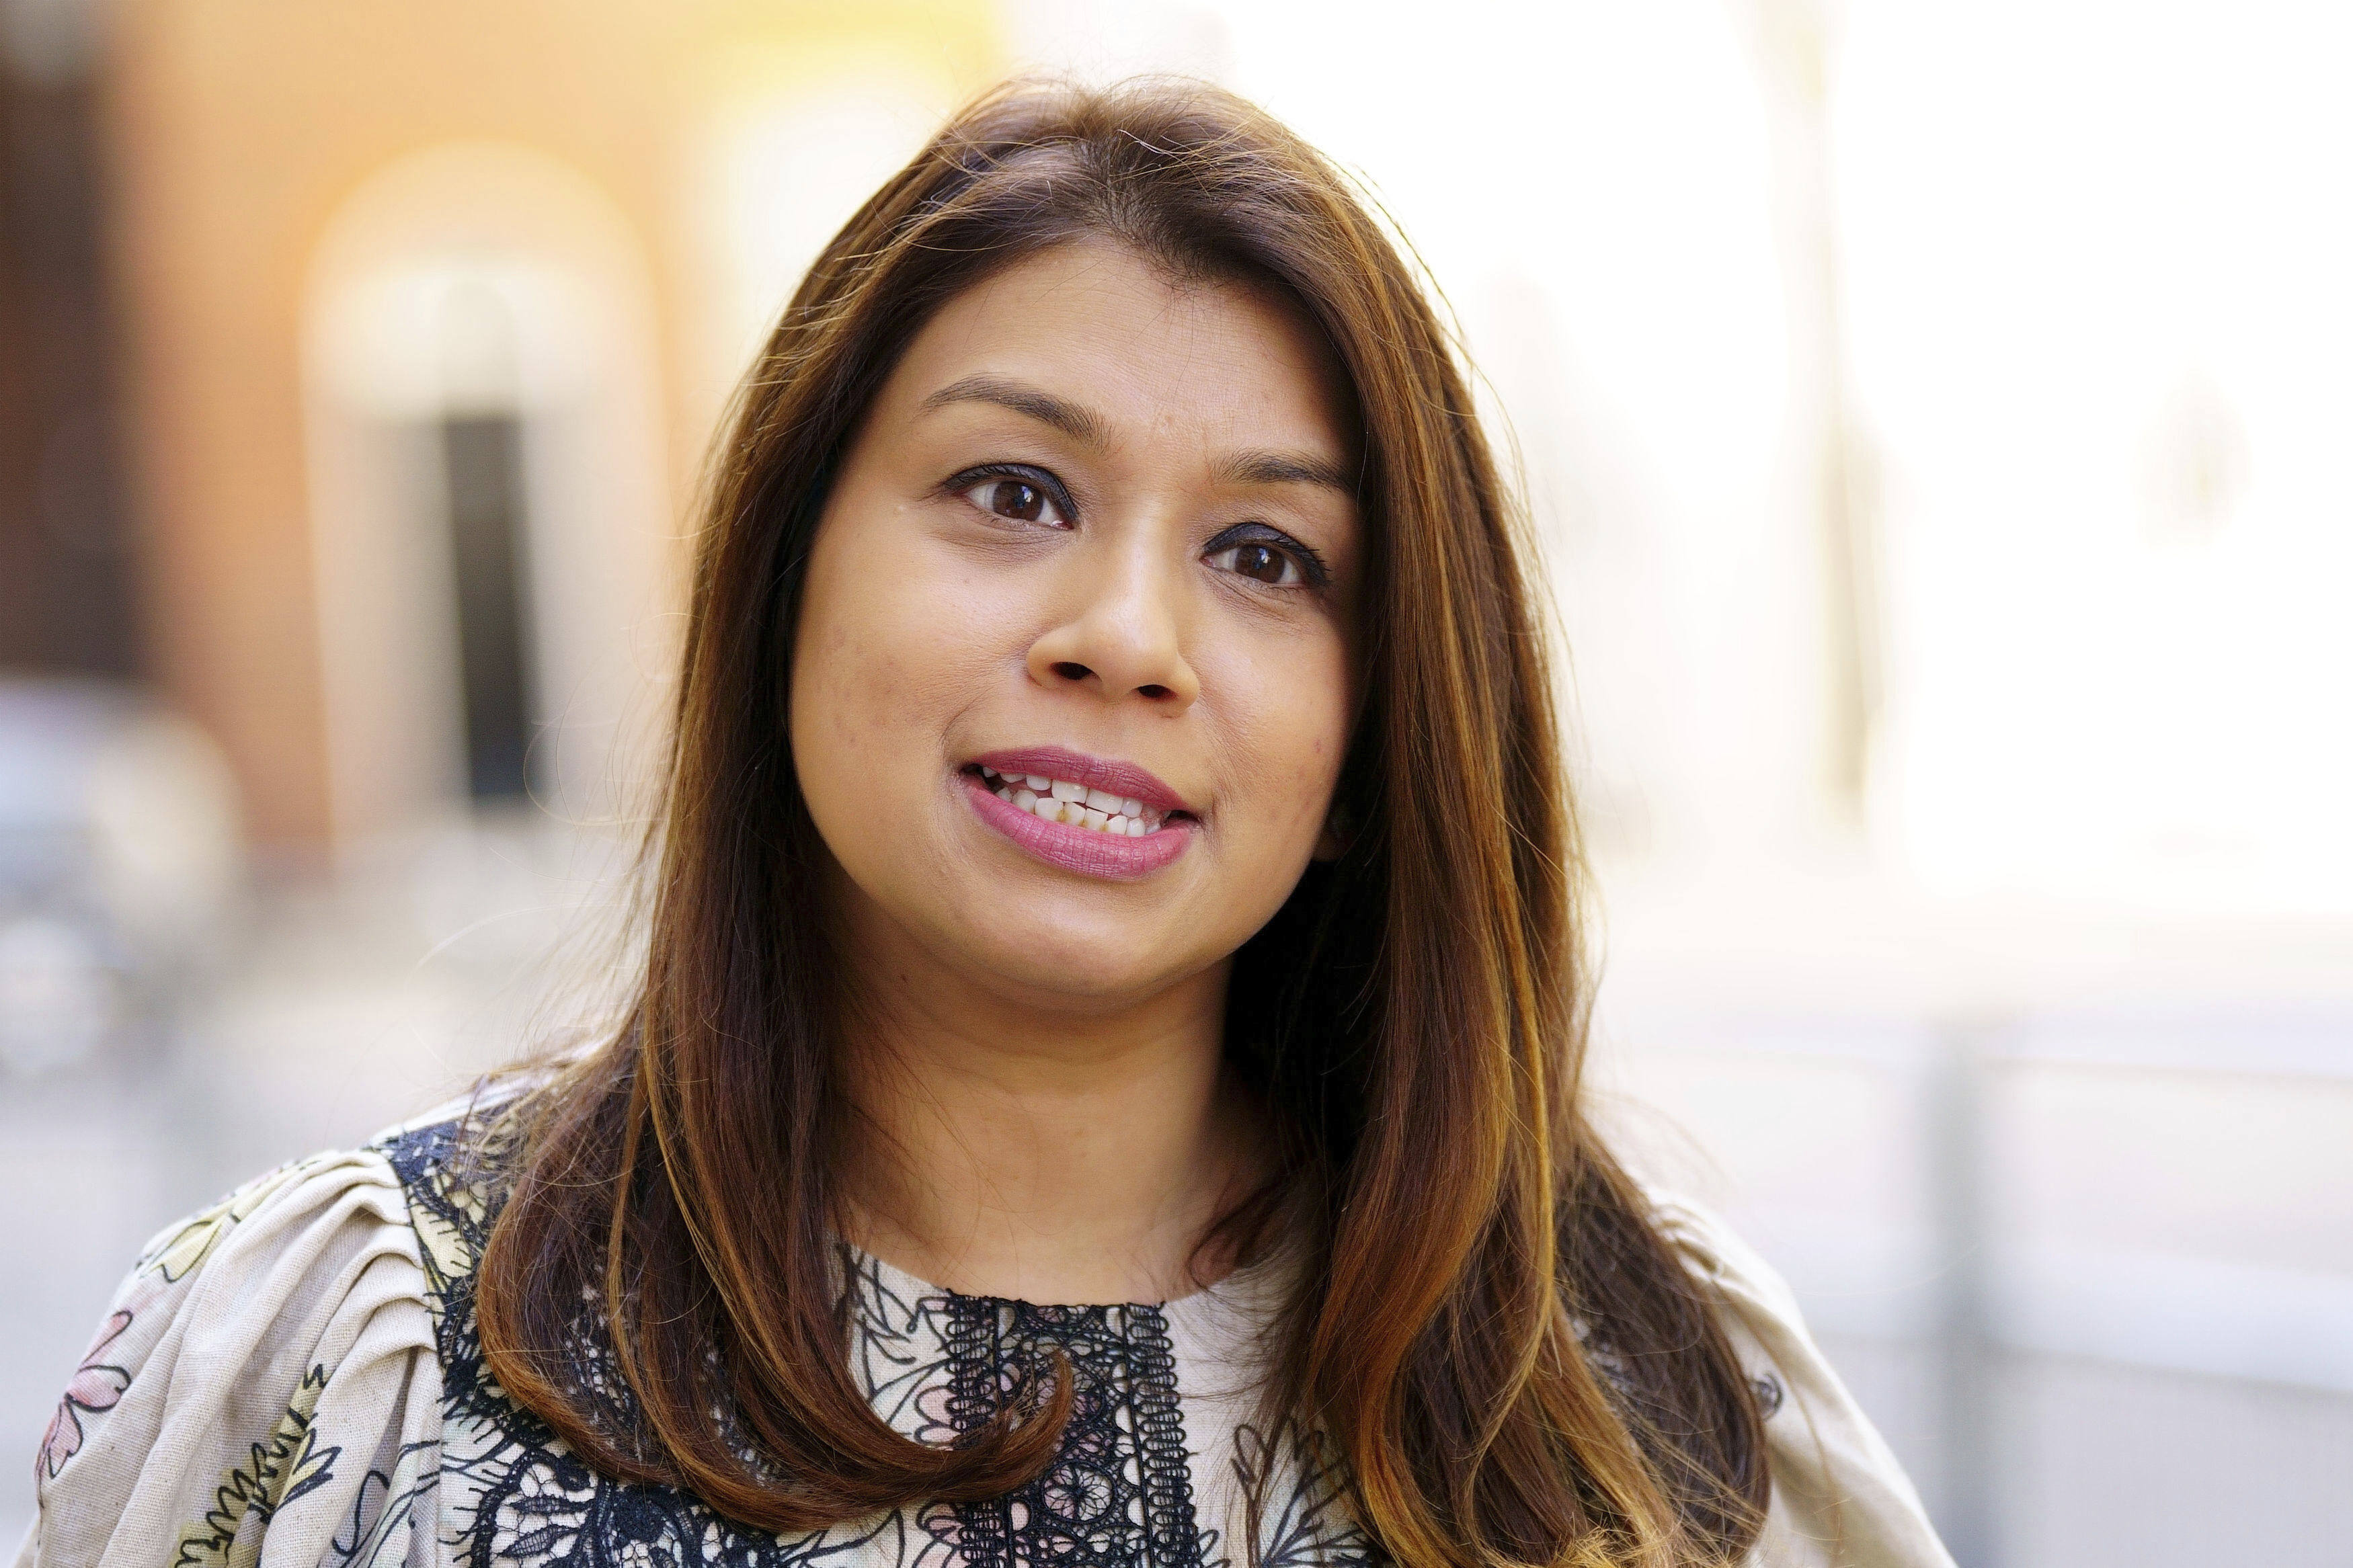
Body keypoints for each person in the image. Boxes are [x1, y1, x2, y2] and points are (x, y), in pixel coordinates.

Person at [17, 79, 1953, 1568]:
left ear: (1380, 742)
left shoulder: (1635, 1386)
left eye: (1268, 555)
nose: (1126, 637)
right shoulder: (348, 1355)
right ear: (786, 577)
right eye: (1013, 493)